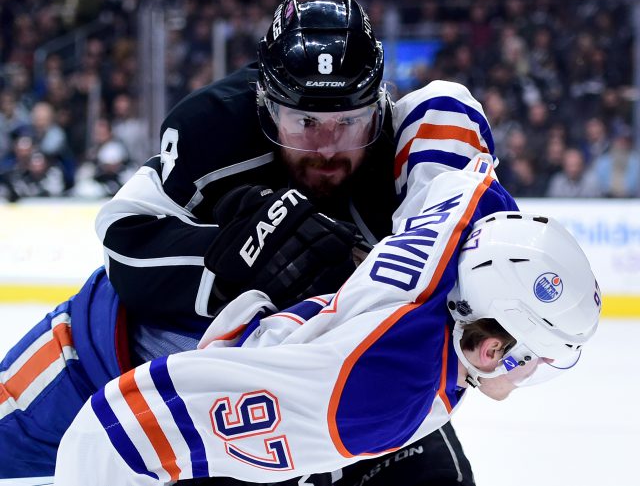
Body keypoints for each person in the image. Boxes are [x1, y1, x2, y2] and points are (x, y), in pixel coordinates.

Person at [92, 0, 496, 486]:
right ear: (265, 104)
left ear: (379, 105)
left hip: (347, 376)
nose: (327, 147)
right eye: (305, 123)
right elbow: (124, 238)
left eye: (348, 123)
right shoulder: (212, 131)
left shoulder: (407, 156)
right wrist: (233, 265)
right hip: (130, 360)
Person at [52, 154, 601, 485]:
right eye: (532, 358)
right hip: (218, 388)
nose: (529, 374)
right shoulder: (376, 395)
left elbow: (444, 104)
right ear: (489, 350)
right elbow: (113, 432)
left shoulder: (474, 211)